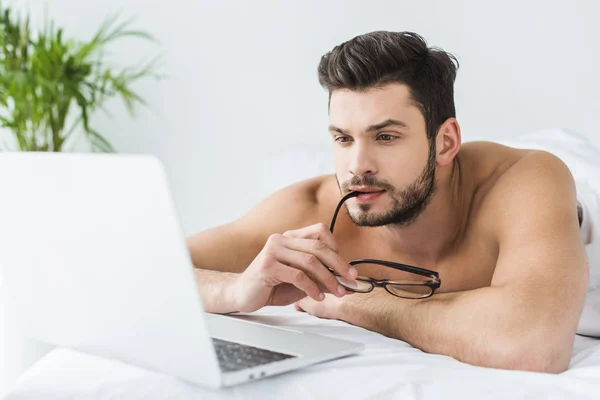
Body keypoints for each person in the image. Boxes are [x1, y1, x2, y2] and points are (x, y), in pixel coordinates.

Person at [186, 31, 589, 374]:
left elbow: (534, 342)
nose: (357, 166)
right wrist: (237, 290)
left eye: (385, 137)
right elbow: (146, 269)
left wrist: (351, 304)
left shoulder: (524, 182)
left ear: (446, 142)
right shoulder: (313, 210)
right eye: (343, 138)